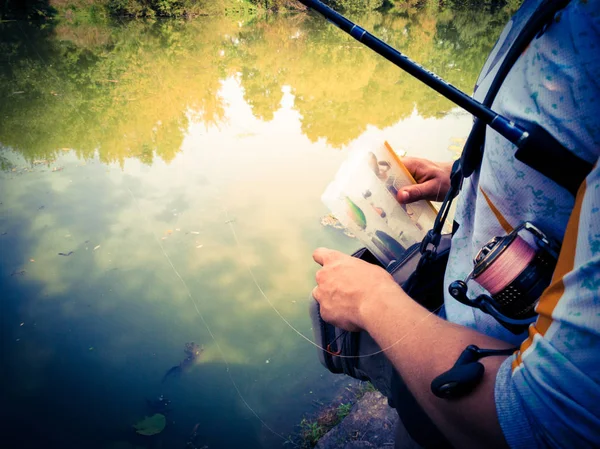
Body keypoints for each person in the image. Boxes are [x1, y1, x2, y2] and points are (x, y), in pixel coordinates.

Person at [311, 1, 599, 448]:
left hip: (477, 402)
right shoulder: (544, 10)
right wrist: (461, 174)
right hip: (451, 327)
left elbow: (546, 424)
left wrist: (372, 300)